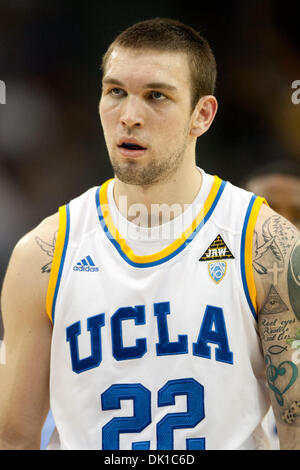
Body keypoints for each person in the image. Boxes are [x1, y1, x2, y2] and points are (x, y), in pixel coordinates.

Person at [0, 18, 299, 451]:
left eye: (156, 96)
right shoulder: (43, 254)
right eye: (115, 92)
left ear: (203, 114)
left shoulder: (265, 244)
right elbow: (15, 439)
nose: (130, 116)